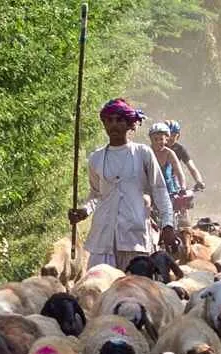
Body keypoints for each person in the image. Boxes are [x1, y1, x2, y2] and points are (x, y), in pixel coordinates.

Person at [67, 98, 179, 269]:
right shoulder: (96, 158)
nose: (114, 125)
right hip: (103, 237)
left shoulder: (143, 153)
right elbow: (96, 194)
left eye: (119, 120)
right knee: (97, 290)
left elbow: (159, 190)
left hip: (134, 237)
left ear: (130, 124)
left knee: (134, 290)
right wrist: (84, 211)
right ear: (104, 124)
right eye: (109, 120)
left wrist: (168, 224)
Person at [148, 122, 190, 225]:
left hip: (168, 190)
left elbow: (179, 173)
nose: (159, 142)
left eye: (161, 139)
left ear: (166, 139)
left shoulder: (169, 153)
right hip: (150, 190)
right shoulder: (146, 152)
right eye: (155, 139)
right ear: (151, 139)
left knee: (174, 216)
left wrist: (183, 187)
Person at [165, 120, 205, 192]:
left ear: (178, 136)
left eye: (174, 135)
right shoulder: (157, 147)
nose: (170, 138)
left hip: (172, 180)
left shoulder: (180, 149)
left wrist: (199, 181)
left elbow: (192, 168)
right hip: (156, 179)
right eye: (168, 135)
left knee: (185, 197)